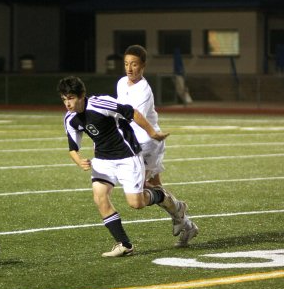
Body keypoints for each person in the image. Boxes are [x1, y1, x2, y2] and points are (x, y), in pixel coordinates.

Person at [58, 75, 173, 257]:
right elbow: (72, 148)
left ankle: (161, 195)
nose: (68, 103)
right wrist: (79, 160)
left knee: (137, 203)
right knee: (99, 196)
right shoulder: (70, 119)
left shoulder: (100, 103)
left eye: (71, 98)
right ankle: (124, 244)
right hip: (103, 161)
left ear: (81, 95)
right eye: (64, 99)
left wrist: (152, 133)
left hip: (127, 156)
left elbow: (132, 112)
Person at [116, 44, 199, 248]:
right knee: (156, 187)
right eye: (126, 64)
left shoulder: (143, 89)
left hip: (146, 144)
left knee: (141, 190)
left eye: (134, 64)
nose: (129, 68)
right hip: (133, 143)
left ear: (143, 66)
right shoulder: (121, 83)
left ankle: (179, 209)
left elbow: (134, 116)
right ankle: (187, 225)